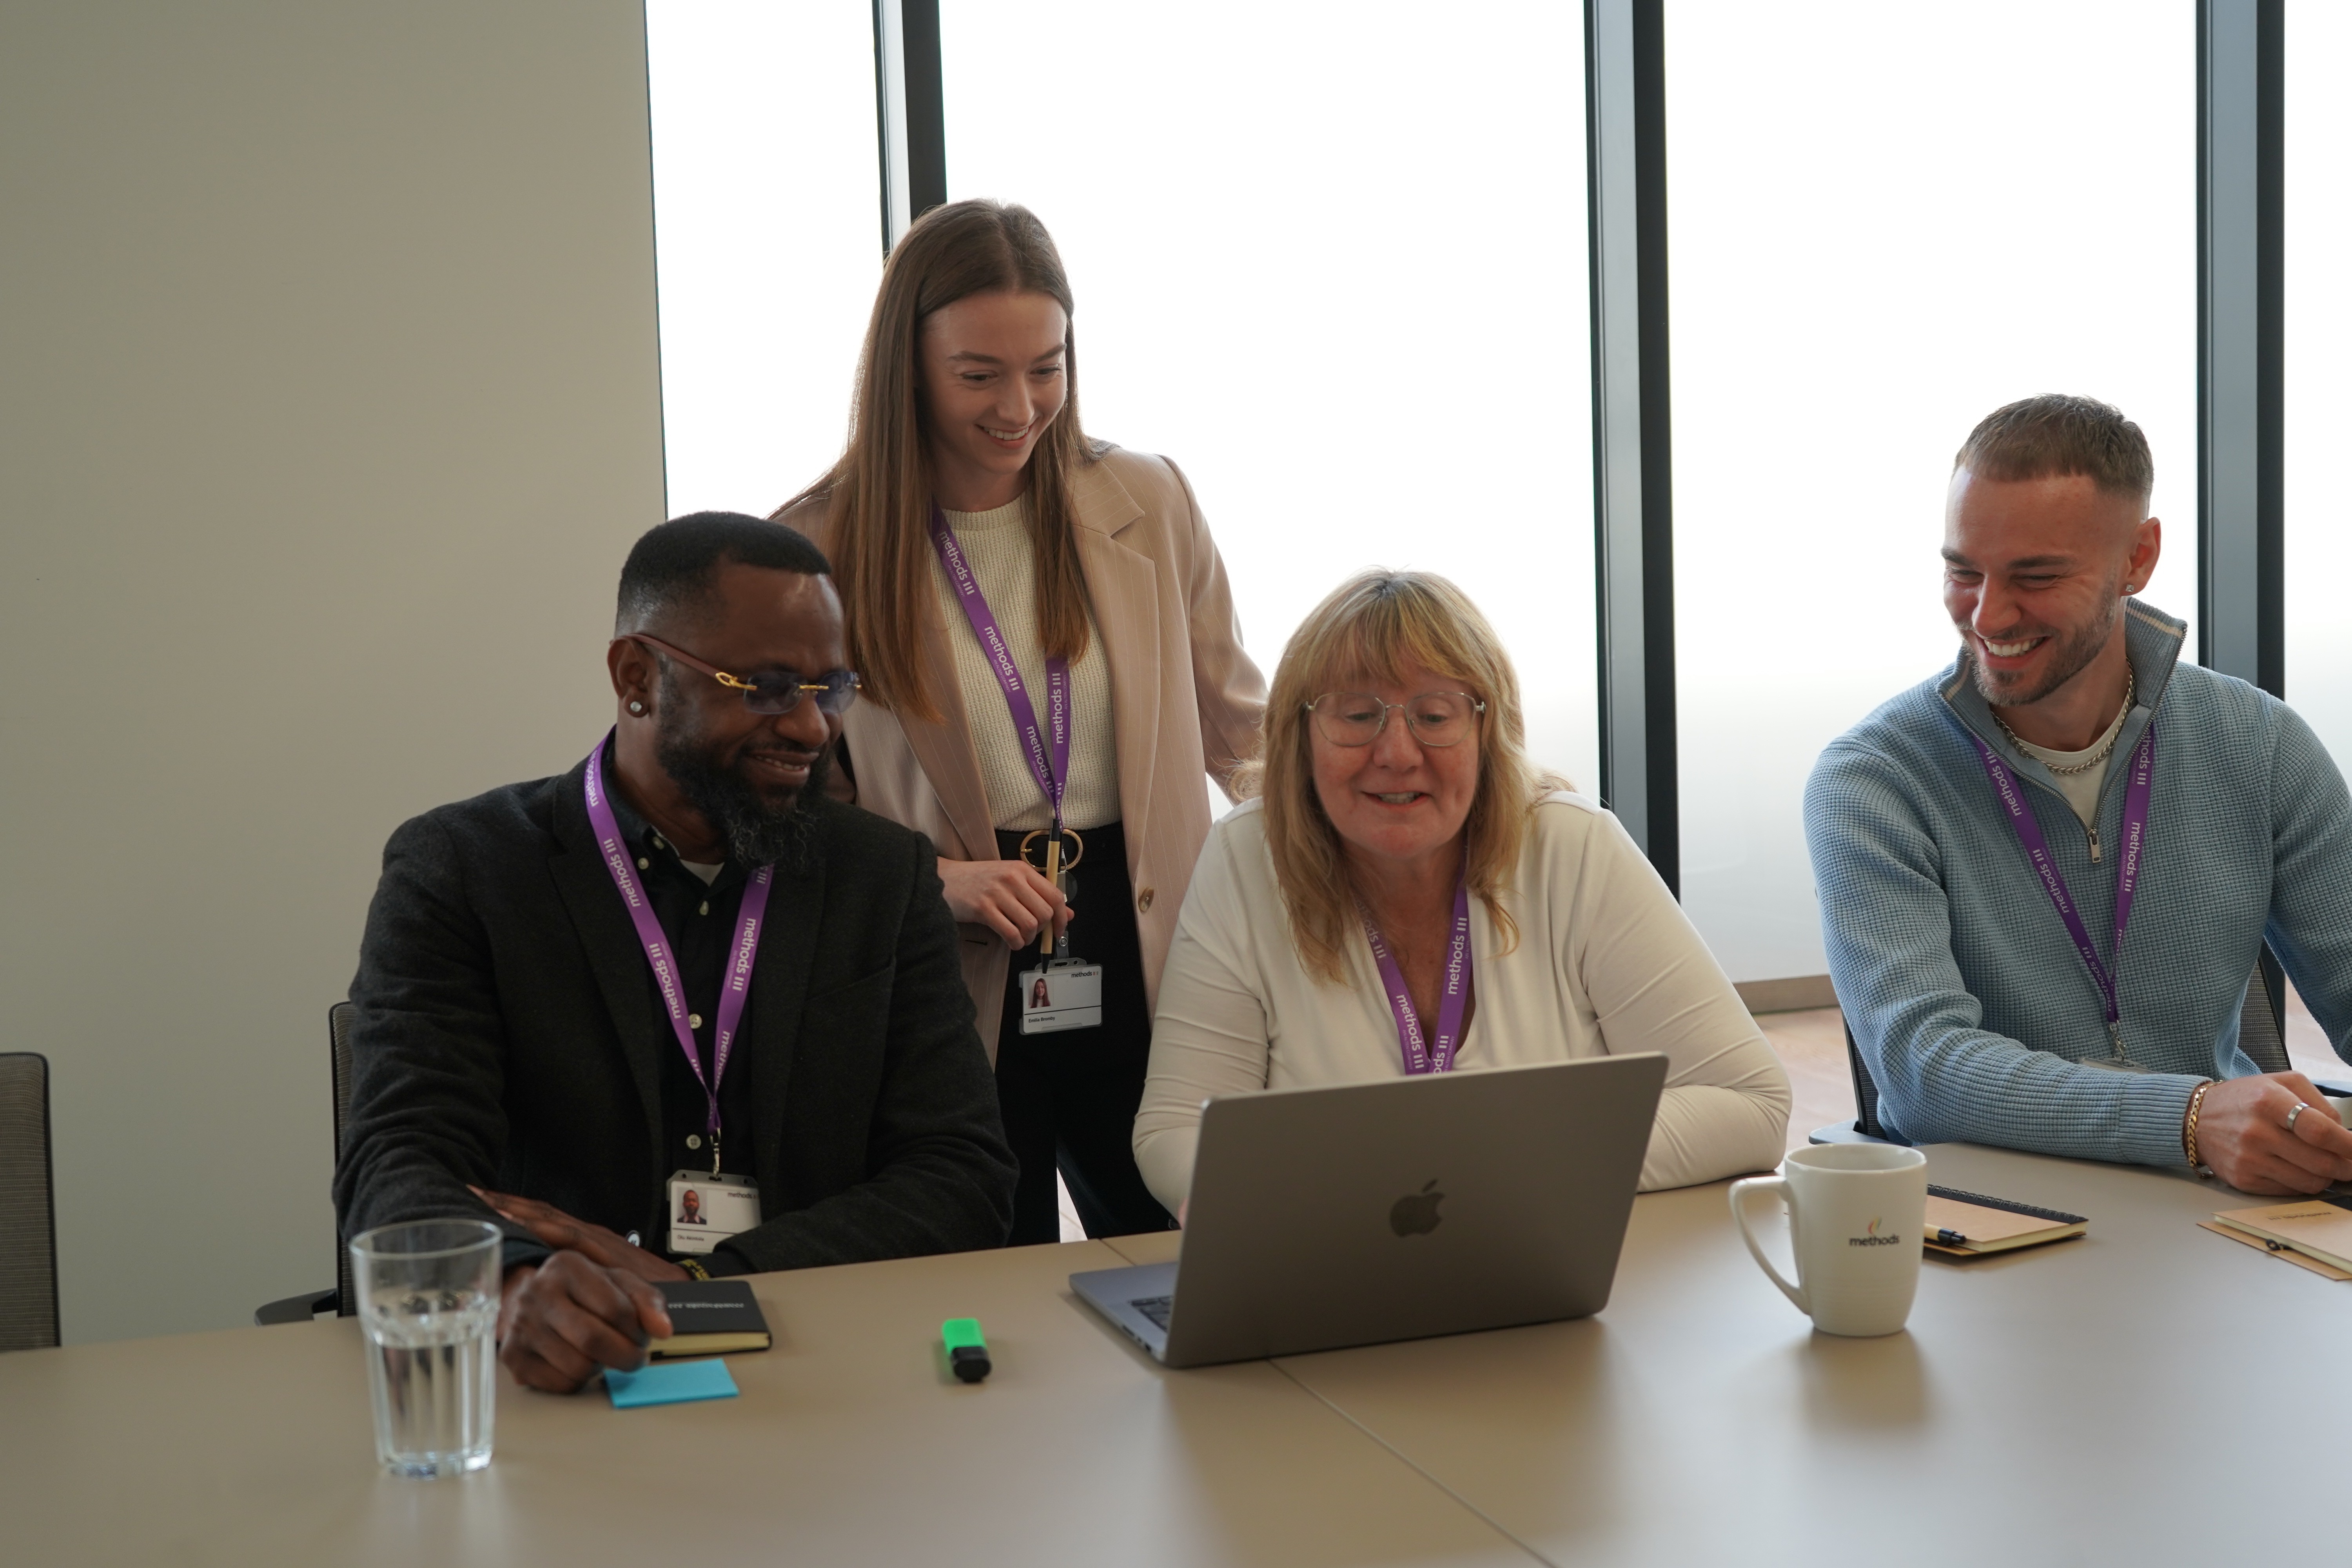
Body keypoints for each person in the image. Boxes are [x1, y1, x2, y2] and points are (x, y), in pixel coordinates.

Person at [335, 513, 1016, 1394]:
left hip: (823, 1375)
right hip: (562, 1377)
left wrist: (705, 1280)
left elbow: (962, 1171)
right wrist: (515, 1283)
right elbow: (397, 1162)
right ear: (636, 676)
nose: (812, 728)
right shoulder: (465, 870)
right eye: (768, 687)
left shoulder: (880, 876)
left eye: (831, 688)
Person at [777, 200, 1266, 1243]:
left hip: (1143, 946)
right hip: (951, 955)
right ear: (907, 363)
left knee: (1185, 1266)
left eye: (1047, 367)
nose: (1021, 405)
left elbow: (1244, 729)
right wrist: (935, 881)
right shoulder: (814, 546)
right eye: (979, 375)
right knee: (982, 1284)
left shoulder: (1148, 498)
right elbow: (786, 813)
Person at [1804, 394, 2352, 1193]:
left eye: (2035, 576)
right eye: (1963, 571)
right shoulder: (1873, 781)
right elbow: (1926, 1074)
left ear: (2138, 558)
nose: (1987, 614)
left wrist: (2211, 1126)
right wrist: (2193, 1117)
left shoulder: (2258, 743)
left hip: (2218, 1215)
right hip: (1995, 1221)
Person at [1132, 571, 1791, 1210]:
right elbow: (1175, 1131)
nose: (1395, 752)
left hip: (1565, 1273)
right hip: (1333, 1285)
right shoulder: (1247, 860)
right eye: (1358, 715)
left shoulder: (1574, 848)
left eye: (1434, 715)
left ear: (1486, 731)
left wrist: (1469, 1172)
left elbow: (1749, 1103)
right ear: (1299, 737)